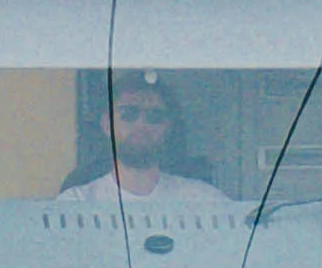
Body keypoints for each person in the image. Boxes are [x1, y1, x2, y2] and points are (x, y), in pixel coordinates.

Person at [60, 80, 230, 205]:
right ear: (106, 124)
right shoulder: (77, 201)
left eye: (154, 116)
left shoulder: (204, 200)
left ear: (168, 128)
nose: (141, 124)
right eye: (129, 113)